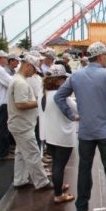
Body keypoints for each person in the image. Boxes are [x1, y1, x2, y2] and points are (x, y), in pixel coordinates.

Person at [54, 41, 106, 211]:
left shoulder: (75, 76)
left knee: (84, 169)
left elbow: (59, 96)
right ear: (99, 56)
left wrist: (72, 115)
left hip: (85, 132)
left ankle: (81, 206)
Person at [7, 54, 53, 189]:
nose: (34, 73)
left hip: (20, 123)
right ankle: (42, 182)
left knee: (21, 153)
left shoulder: (18, 80)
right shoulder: (20, 83)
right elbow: (21, 104)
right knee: (32, 154)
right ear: (28, 66)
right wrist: (39, 102)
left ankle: (20, 179)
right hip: (22, 125)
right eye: (33, 70)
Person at [39, 65, 76, 203]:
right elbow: (77, 109)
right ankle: (58, 194)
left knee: (56, 164)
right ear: (58, 80)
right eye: (63, 79)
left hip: (50, 135)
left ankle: (58, 187)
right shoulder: (62, 96)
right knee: (59, 165)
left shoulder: (45, 94)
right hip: (63, 135)